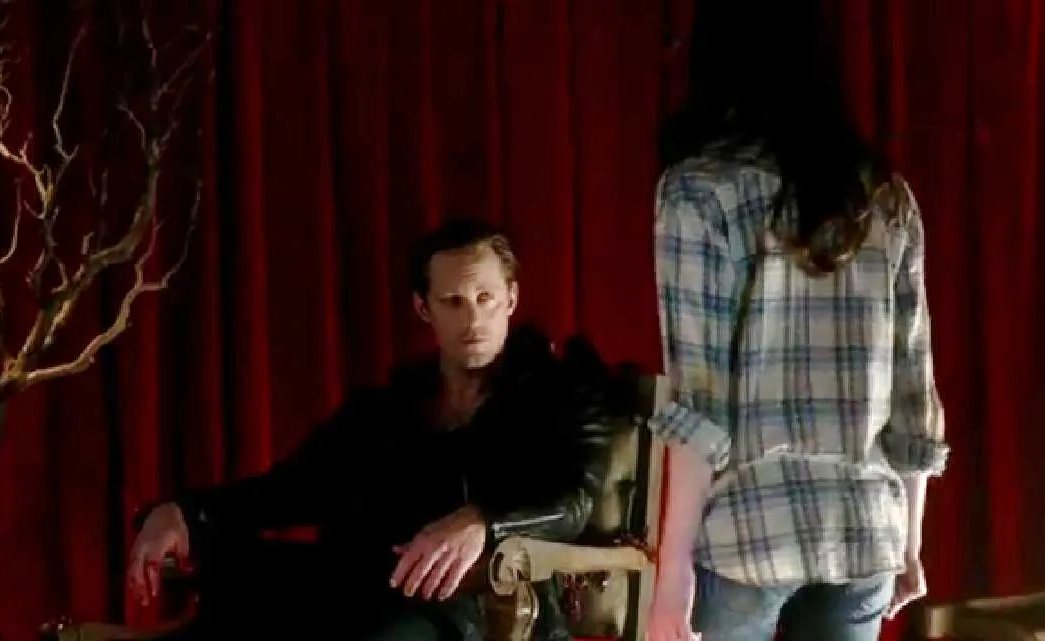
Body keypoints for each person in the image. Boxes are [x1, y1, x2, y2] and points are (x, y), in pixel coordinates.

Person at [127, 217, 613, 640]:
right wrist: (185, 510)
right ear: (424, 308)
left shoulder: (558, 392)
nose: (473, 319)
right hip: (371, 587)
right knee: (238, 588)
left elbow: (573, 501)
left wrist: (482, 522)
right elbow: (294, 487)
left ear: (511, 297)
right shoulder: (394, 404)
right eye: (453, 301)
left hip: (477, 606)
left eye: (485, 298)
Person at [646, 1, 950, 640]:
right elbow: (914, 391)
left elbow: (698, 404)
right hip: (865, 527)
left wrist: (671, 571)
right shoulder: (884, 194)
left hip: (747, 527)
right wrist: (910, 542)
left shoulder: (697, 191)